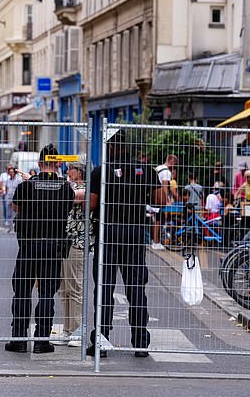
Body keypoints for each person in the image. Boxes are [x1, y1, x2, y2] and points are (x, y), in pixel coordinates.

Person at [87, 130, 161, 358]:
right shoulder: (145, 170)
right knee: (136, 288)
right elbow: (161, 200)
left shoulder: (101, 171)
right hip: (135, 232)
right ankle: (140, 343)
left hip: (107, 232)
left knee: (104, 289)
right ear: (127, 145)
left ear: (109, 147)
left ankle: (101, 341)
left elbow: (90, 205)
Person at [4, 144, 75, 354]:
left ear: (39, 163)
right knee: (46, 294)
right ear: (58, 164)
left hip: (28, 245)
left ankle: (19, 339)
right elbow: (69, 206)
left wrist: (31, 183)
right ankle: (42, 340)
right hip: (53, 246)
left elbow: (16, 207)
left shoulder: (26, 186)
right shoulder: (64, 188)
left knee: (22, 292)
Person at [51, 163, 91, 348]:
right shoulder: (69, 187)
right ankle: (67, 330)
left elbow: (72, 197)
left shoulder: (85, 188)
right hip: (64, 241)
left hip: (77, 242)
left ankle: (77, 330)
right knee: (64, 288)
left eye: (71, 170)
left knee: (75, 286)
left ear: (80, 172)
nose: (68, 173)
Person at [152, 154, 178, 250]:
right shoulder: (166, 171)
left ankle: (155, 241)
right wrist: (167, 199)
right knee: (159, 219)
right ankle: (156, 242)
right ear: (170, 160)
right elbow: (164, 185)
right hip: (159, 197)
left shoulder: (159, 168)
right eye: (174, 164)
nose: (174, 167)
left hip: (153, 196)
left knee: (156, 219)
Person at [3, 166, 23, 231]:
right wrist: (6, 195)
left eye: (12, 172)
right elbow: (6, 188)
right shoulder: (8, 180)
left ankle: (15, 227)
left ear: (14, 172)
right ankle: (9, 227)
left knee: (15, 213)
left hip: (15, 198)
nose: (11, 173)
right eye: (10, 172)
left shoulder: (18, 179)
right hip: (8, 198)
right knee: (8, 213)